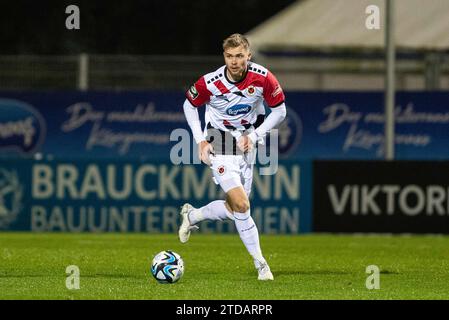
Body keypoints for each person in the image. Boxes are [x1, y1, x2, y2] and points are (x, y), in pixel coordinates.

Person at [179, 33, 286, 280]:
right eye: (229, 56)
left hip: (248, 141)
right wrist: (200, 140)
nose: (234, 61)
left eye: (239, 56)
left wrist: (256, 136)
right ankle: (261, 265)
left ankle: (193, 214)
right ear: (224, 57)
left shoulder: (263, 78)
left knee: (234, 209)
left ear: (248, 55)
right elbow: (189, 105)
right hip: (220, 141)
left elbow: (279, 111)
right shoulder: (210, 82)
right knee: (242, 205)